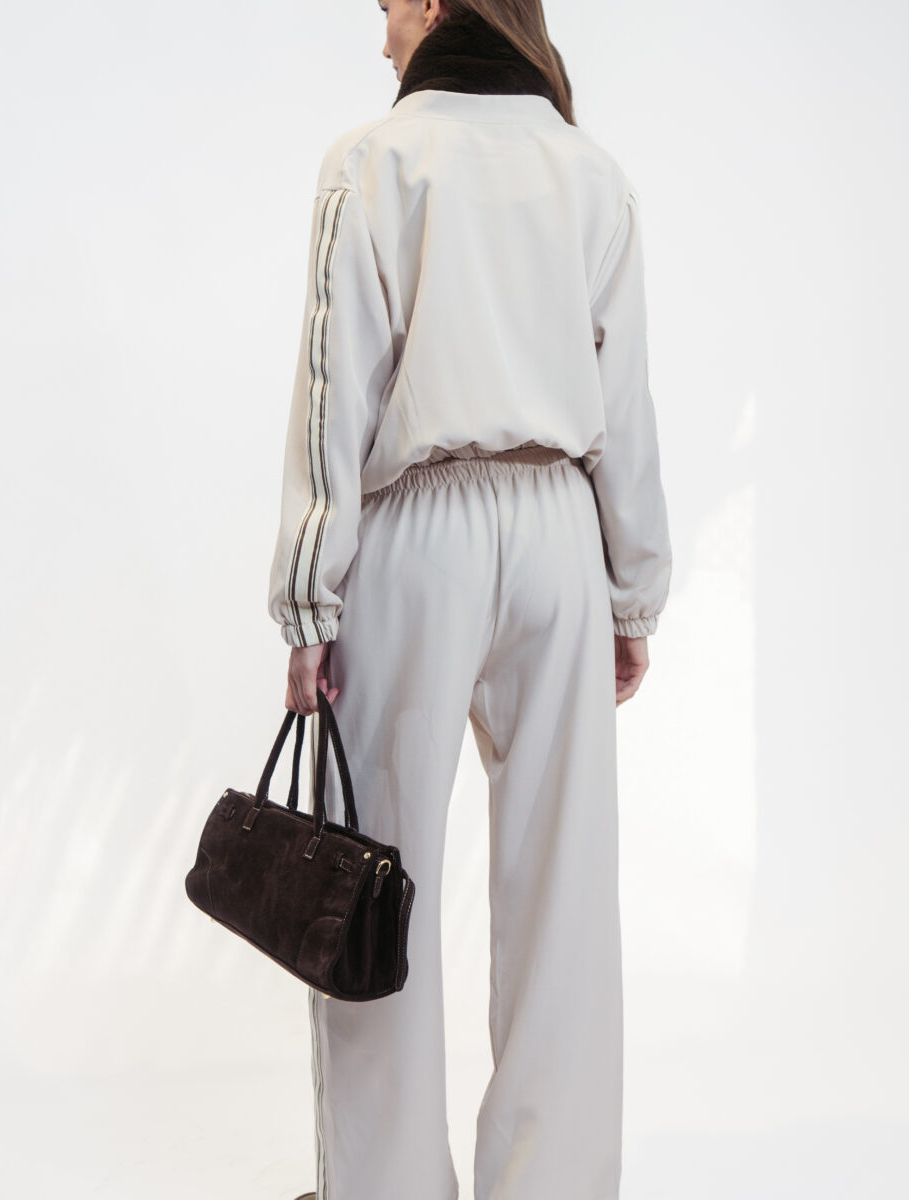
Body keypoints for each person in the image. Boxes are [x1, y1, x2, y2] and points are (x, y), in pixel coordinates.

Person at [267, 2, 672, 1198]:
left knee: (372, 875)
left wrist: (309, 602)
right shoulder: (590, 172)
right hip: (558, 529)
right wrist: (631, 593)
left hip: (416, 527)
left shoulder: (373, 162)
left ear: (440, 2)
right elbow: (624, 404)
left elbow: (335, 390)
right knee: (563, 892)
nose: (380, 29)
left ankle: (383, 1187)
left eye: (389, 3)